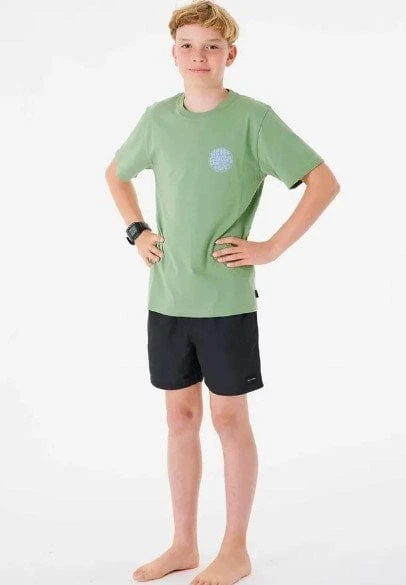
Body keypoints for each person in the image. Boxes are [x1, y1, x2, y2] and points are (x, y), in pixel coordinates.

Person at [105, 1, 340, 584]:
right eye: (187, 45)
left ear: (230, 54)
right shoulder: (157, 120)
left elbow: (323, 182)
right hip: (167, 296)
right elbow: (117, 173)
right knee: (179, 417)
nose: (199, 56)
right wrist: (138, 232)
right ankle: (183, 544)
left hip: (225, 301)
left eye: (211, 46)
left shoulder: (254, 120)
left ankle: (235, 549)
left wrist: (272, 247)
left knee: (229, 420)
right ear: (173, 54)